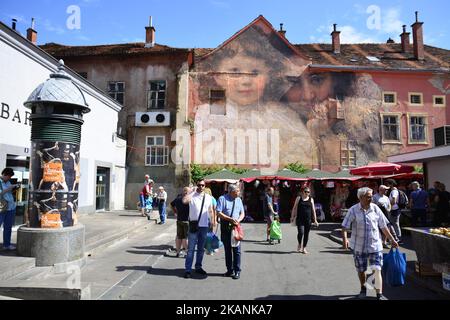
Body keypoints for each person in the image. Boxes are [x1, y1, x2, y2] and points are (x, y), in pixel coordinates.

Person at [342, 187, 399, 300]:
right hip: (359, 246)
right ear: (361, 197)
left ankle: (379, 294)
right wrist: (345, 240)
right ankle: (363, 289)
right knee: (361, 270)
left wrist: (392, 239)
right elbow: (344, 226)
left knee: (377, 269)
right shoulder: (353, 210)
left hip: (375, 245)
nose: (371, 198)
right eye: (368, 196)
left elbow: (383, 226)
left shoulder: (375, 208)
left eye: (371, 196)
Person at [182, 179, 215, 278]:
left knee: (201, 249)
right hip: (193, 225)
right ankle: (188, 269)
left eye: (202, 185)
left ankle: (198, 266)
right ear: (196, 186)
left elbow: (210, 210)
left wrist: (212, 222)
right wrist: (192, 191)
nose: (201, 187)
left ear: (205, 187)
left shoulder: (208, 197)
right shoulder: (192, 196)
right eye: (199, 185)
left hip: (204, 226)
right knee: (191, 249)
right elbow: (184, 201)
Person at [216, 184, 245, 279]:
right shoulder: (222, 199)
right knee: (227, 249)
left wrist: (238, 220)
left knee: (237, 250)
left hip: (236, 226)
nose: (239, 192)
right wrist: (230, 219)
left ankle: (237, 270)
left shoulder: (239, 200)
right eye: (237, 191)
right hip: (225, 225)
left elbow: (242, 213)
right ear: (232, 192)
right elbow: (218, 212)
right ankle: (229, 270)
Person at [290, 187, 319, 254]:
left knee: (306, 234)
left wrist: (315, 220)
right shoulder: (299, 198)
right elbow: (294, 208)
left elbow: (313, 210)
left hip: (308, 220)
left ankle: (304, 248)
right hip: (300, 219)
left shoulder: (311, 199)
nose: (307, 193)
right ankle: (299, 244)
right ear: (303, 192)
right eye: (306, 191)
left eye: (308, 192)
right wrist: (292, 216)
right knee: (301, 232)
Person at [0, 168, 19, 250]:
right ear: (4, 174)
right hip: (1, 208)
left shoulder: (8, 182)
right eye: (8, 176)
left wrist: (14, 187)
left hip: (11, 207)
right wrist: (9, 188)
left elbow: (8, 194)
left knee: (8, 227)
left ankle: (6, 245)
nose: (9, 178)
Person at [170, 187, 190, 257]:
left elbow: (171, 204)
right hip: (187, 220)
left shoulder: (177, 199)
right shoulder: (188, 200)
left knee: (179, 237)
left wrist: (175, 212)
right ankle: (187, 252)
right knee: (185, 237)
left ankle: (178, 252)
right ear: (187, 192)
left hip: (179, 220)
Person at [385, 179, 402, 244]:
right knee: (393, 224)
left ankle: (398, 238)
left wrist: (389, 207)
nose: (387, 186)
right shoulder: (394, 191)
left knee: (394, 224)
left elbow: (394, 201)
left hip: (394, 209)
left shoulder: (394, 191)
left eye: (388, 184)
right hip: (395, 209)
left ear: (391, 184)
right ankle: (397, 238)